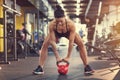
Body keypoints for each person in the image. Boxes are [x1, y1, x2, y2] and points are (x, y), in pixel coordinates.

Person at [33, 5, 94, 75]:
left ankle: (87, 67)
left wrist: (68, 57)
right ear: (55, 19)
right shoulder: (52, 25)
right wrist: (57, 57)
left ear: (65, 18)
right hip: (56, 33)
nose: (59, 23)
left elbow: (71, 42)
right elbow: (52, 42)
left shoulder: (71, 24)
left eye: (61, 21)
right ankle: (40, 67)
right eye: (57, 21)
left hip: (68, 33)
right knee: (44, 45)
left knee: (81, 44)